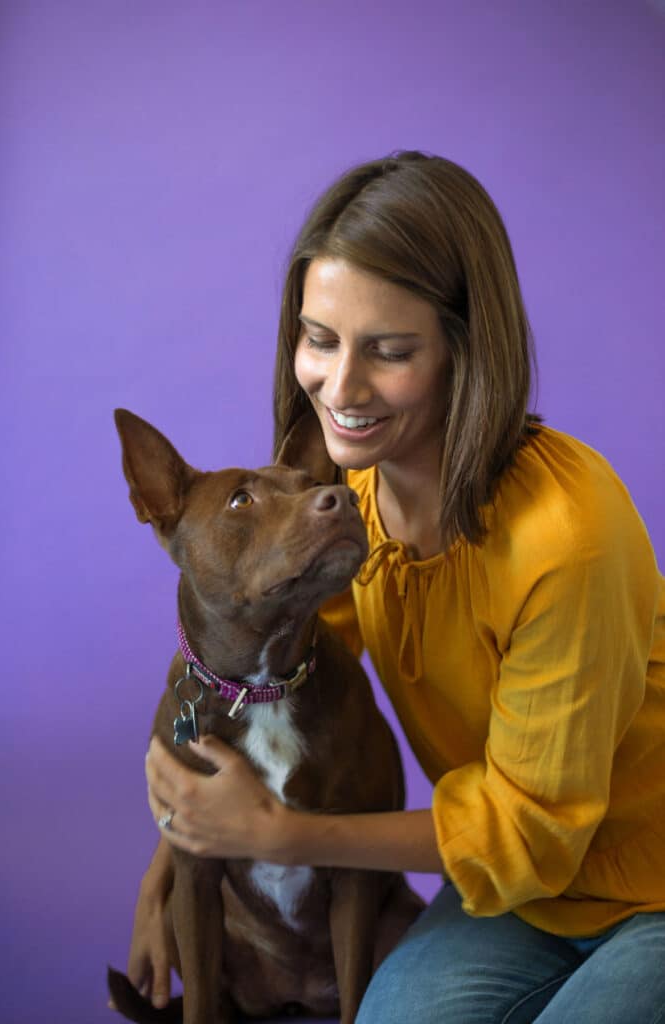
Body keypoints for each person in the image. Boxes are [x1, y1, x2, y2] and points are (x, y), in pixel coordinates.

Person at [127, 152, 665, 1022]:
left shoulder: (566, 538)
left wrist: (277, 837)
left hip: (645, 883)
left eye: (388, 350)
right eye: (319, 338)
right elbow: (274, 654)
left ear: (464, 345)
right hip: (514, 895)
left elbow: (531, 834)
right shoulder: (355, 505)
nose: (340, 389)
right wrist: (172, 868)